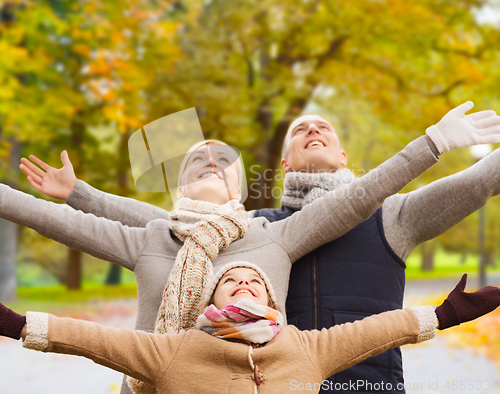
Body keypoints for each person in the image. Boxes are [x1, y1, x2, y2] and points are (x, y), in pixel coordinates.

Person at [16, 101, 500, 393]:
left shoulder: (378, 216)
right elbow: (153, 225)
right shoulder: (250, 229)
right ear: (284, 164)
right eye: (300, 130)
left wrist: (437, 141)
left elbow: (458, 184)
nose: (313, 130)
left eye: (324, 127)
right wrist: (81, 194)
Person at [1, 262, 499, 393]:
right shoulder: (173, 351)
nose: (242, 285)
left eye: (252, 282)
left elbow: (379, 330)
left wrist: (448, 314)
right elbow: (90, 338)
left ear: (270, 301)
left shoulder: (305, 346)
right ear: (211, 300)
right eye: (230, 282)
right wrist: (15, 324)